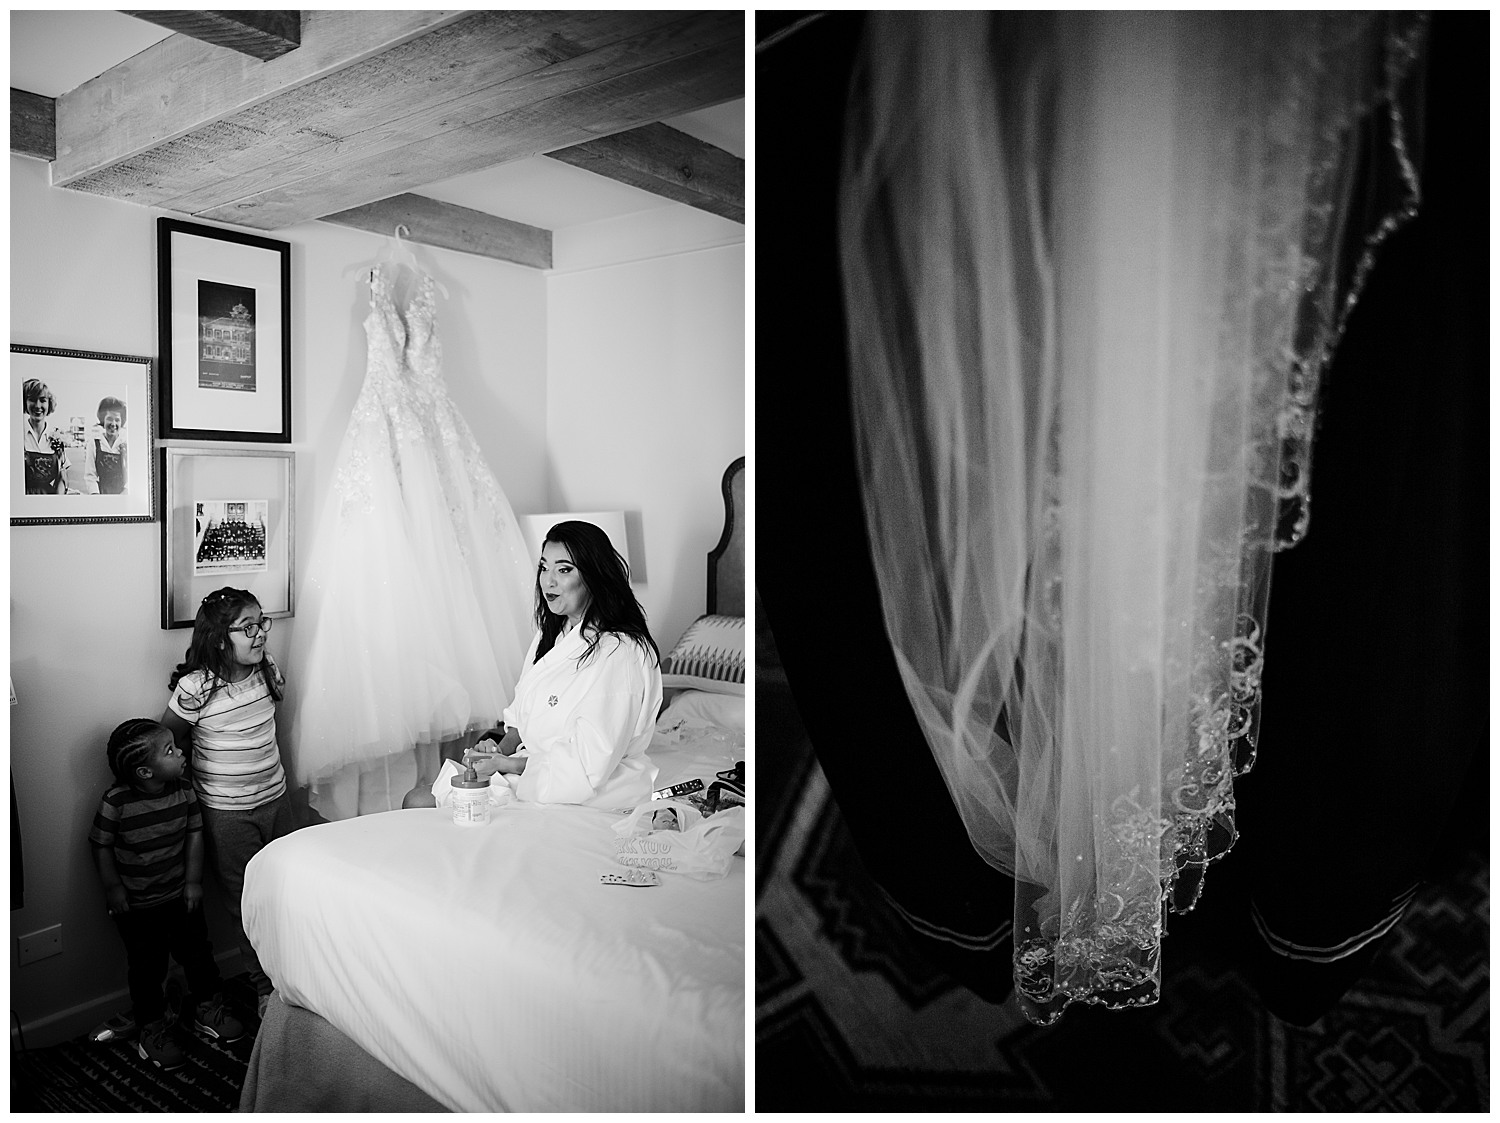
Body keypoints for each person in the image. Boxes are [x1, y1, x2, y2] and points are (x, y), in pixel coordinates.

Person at [463, 520, 662, 808]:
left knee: (423, 801)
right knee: (422, 797)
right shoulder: (551, 635)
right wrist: (493, 753)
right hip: (529, 772)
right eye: (544, 567)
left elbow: (589, 764)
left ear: (594, 576)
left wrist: (507, 764)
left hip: (586, 795)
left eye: (564, 569)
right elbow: (519, 720)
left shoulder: (620, 653)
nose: (548, 581)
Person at [161, 588, 291, 1019]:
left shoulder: (266, 670)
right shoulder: (196, 688)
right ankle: (263, 987)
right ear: (219, 638)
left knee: (285, 892)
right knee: (246, 903)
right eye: (248, 628)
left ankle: (296, 975)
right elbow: (168, 739)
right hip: (227, 814)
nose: (260, 635)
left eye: (262, 624)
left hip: (275, 798)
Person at [89, 718, 246, 1071]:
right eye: (171, 750)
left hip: (181, 899)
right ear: (145, 771)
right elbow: (100, 845)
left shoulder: (184, 790)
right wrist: (113, 888)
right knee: (146, 969)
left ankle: (208, 1008)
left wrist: (193, 882)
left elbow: (195, 834)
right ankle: (152, 1028)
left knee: (199, 955)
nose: (181, 753)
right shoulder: (116, 802)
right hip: (138, 907)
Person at [21, 378, 65, 494]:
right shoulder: (16, 434)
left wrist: (57, 502)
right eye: (32, 400)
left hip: (49, 501)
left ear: (49, 403)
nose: (37, 405)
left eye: (42, 400)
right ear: (25, 402)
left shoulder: (56, 437)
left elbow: (62, 477)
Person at [84, 396, 128, 495]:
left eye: (117, 420)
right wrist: (96, 496)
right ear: (103, 420)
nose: (113, 424)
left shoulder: (126, 444)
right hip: (101, 495)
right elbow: (90, 476)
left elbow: (133, 477)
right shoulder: (94, 444)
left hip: (123, 497)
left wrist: (124, 495)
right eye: (109, 419)